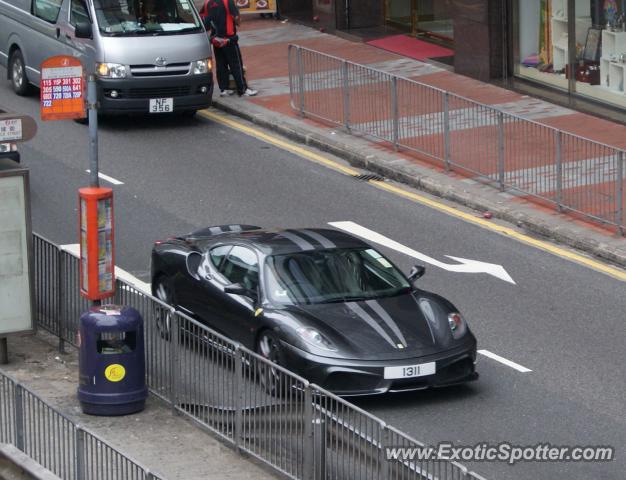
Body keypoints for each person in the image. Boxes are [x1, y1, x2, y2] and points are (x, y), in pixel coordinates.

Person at [201, 0, 257, 97]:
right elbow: (236, 18)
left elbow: (204, 22)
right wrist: (238, 21)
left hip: (216, 40)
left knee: (221, 65)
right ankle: (242, 89)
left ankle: (224, 89)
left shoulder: (207, 3)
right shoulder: (228, 1)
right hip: (229, 39)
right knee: (236, 65)